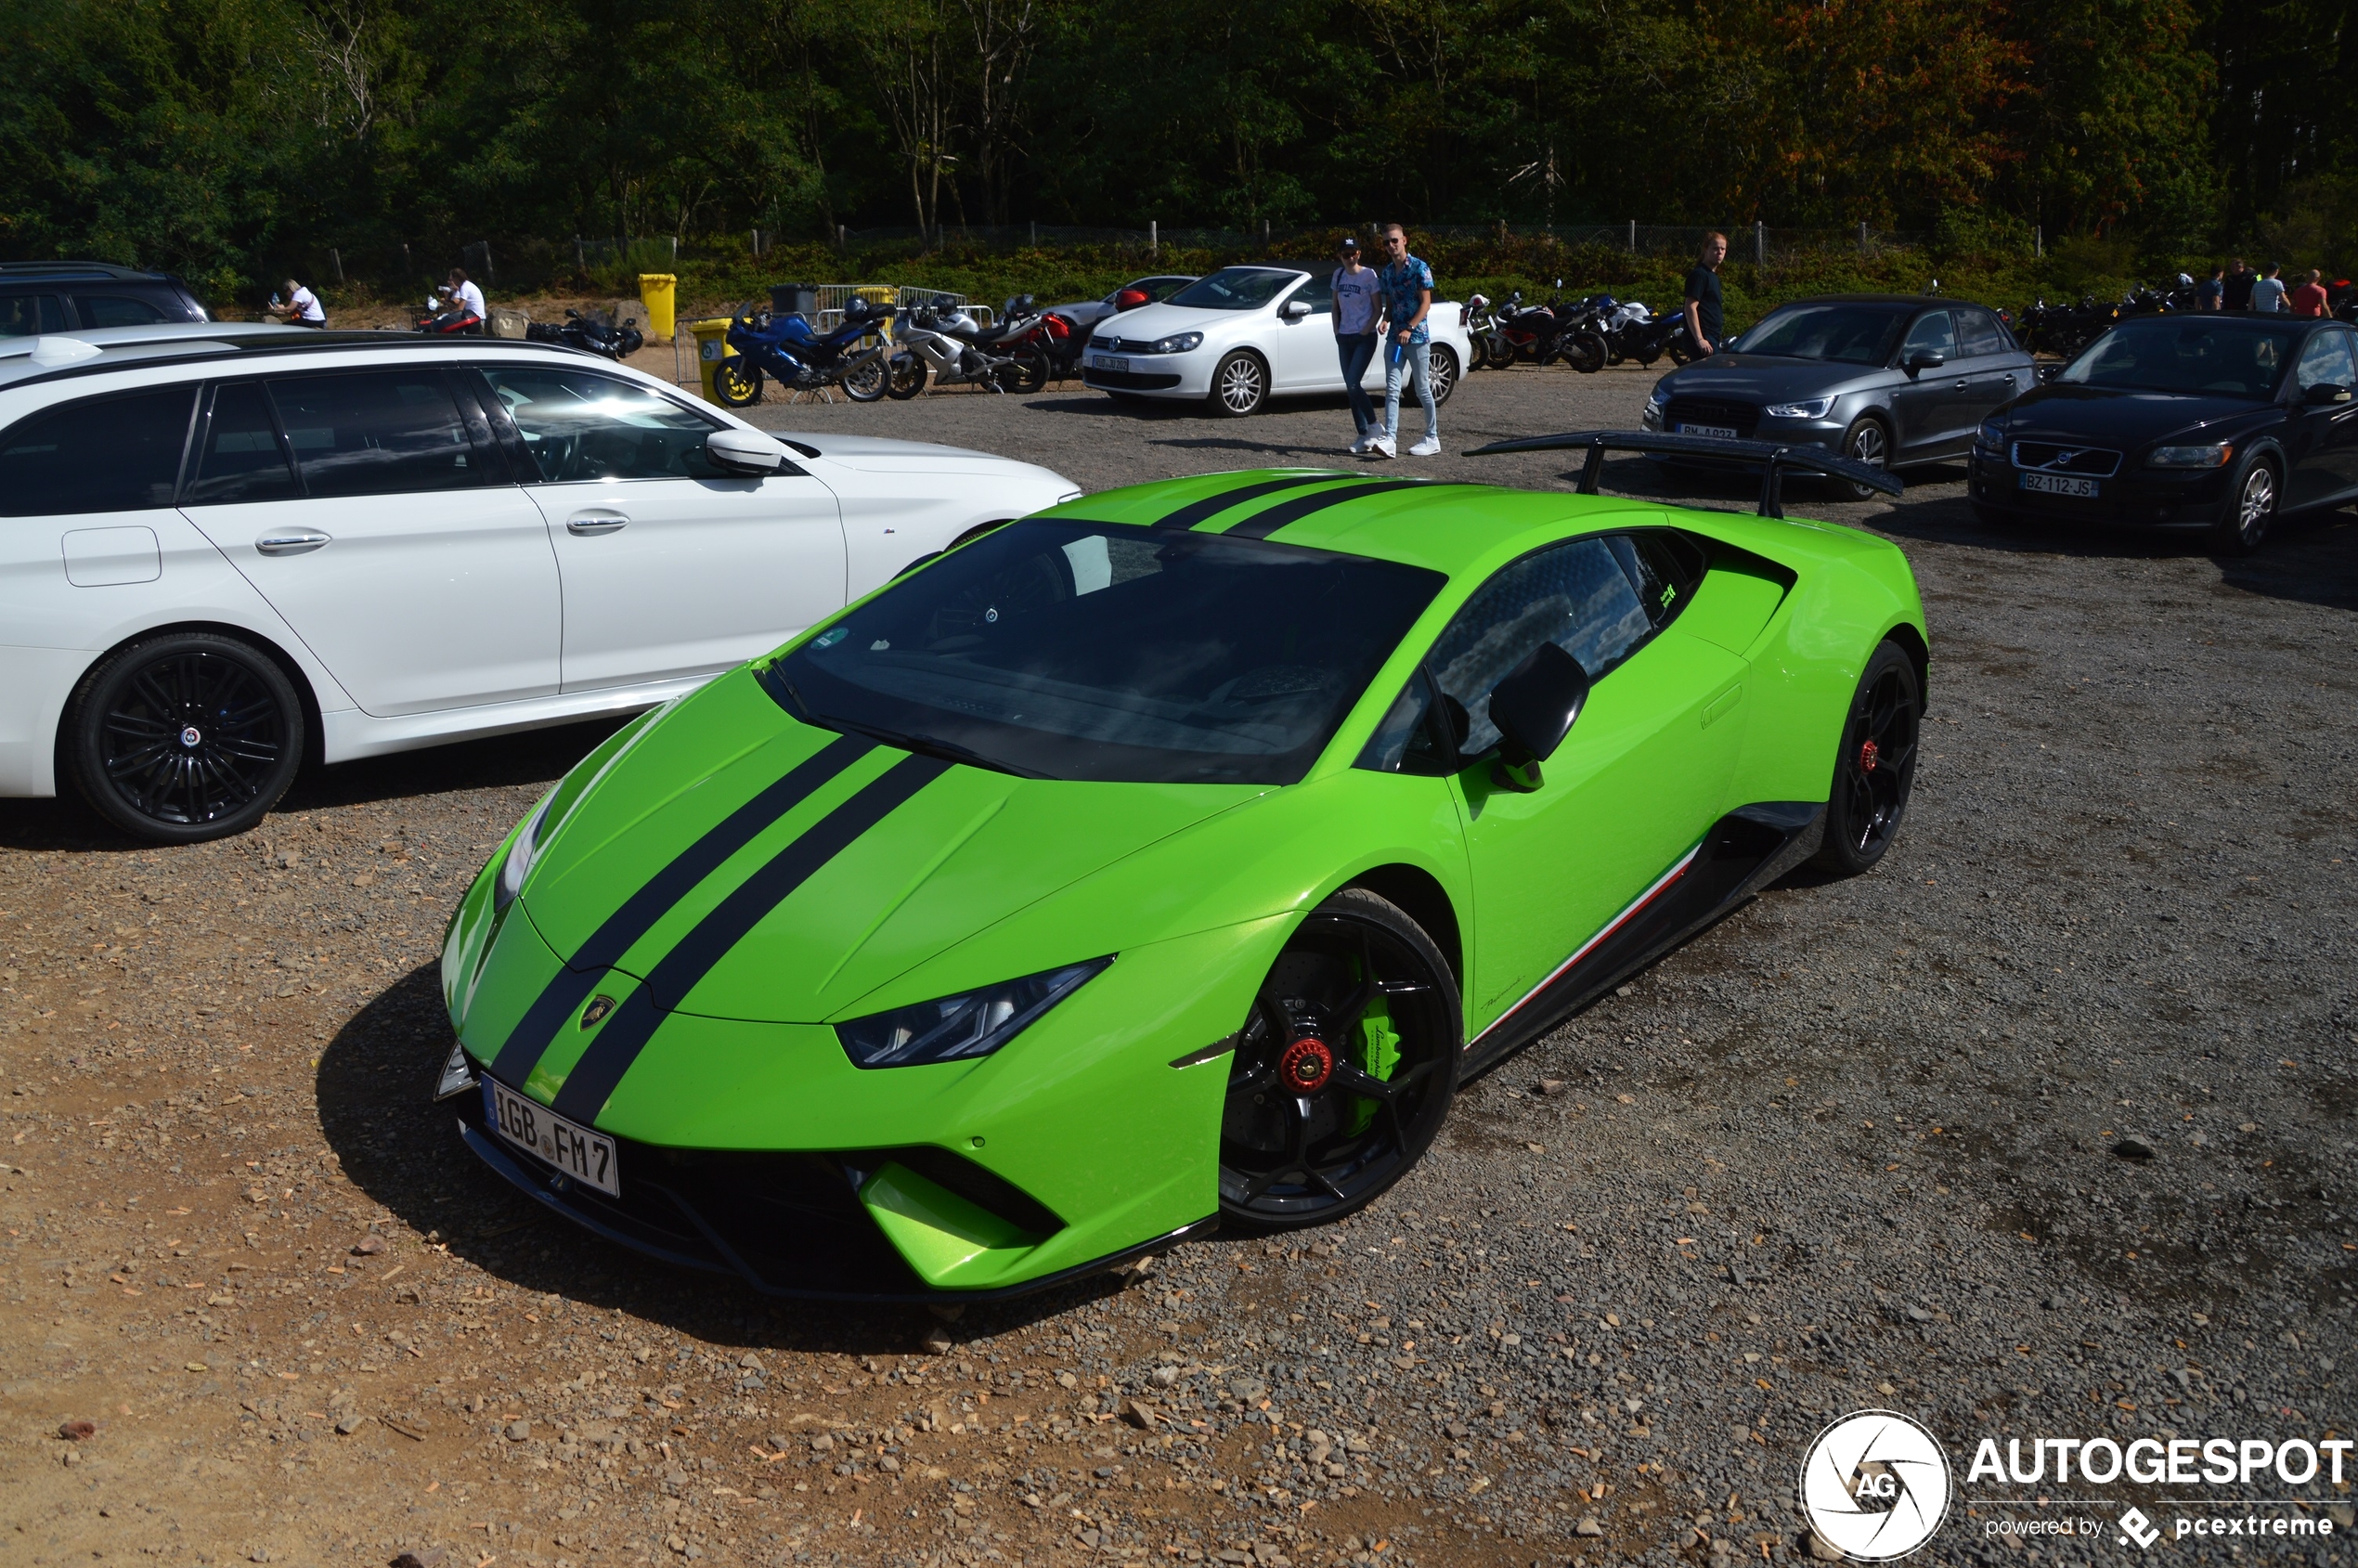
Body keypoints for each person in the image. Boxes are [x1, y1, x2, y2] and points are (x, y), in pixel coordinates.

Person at [1371, 224, 1438, 460]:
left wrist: (1409, 328)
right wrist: (1385, 320)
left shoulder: (1420, 268)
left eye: (1394, 241)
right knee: (1392, 388)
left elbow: (1425, 304)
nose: (1391, 246)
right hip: (1395, 340)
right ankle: (1390, 438)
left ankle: (1432, 437)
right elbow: (1392, 303)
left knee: (1421, 389)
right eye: (1386, 242)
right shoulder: (1388, 272)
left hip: (1417, 338)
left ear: (1404, 240)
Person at [1330, 237, 1383, 454]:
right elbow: (1335, 306)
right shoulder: (1338, 275)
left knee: (1353, 382)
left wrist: (1366, 329)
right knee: (1351, 388)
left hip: (1364, 337)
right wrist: (1336, 330)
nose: (1350, 257)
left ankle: (1374, 425)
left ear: (1359, 254)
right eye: (1346, 254)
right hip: (1344, 336)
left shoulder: (1369, 275)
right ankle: (1363, 434)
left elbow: (1378, 308)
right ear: (1340, 256)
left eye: (1353, 253)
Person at [1683, 232, 1730, 356]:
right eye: (1715, 248)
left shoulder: (1712, 276)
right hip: (1704, 340)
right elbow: (1690, 307)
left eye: (1723, 249)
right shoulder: (1700, 275)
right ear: (1705, 249)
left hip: (1713, 337)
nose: (1719, 252)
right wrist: (1699, 339)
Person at [441, 267, 487, 332]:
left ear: (457, 278)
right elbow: (459, 307)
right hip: (474, 317)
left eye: (452, 279)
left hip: (475, 320)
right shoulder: (467, 285)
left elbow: (460, 309)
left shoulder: (464, 287)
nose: (451, 282)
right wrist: (447, 303)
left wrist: (449, 314)